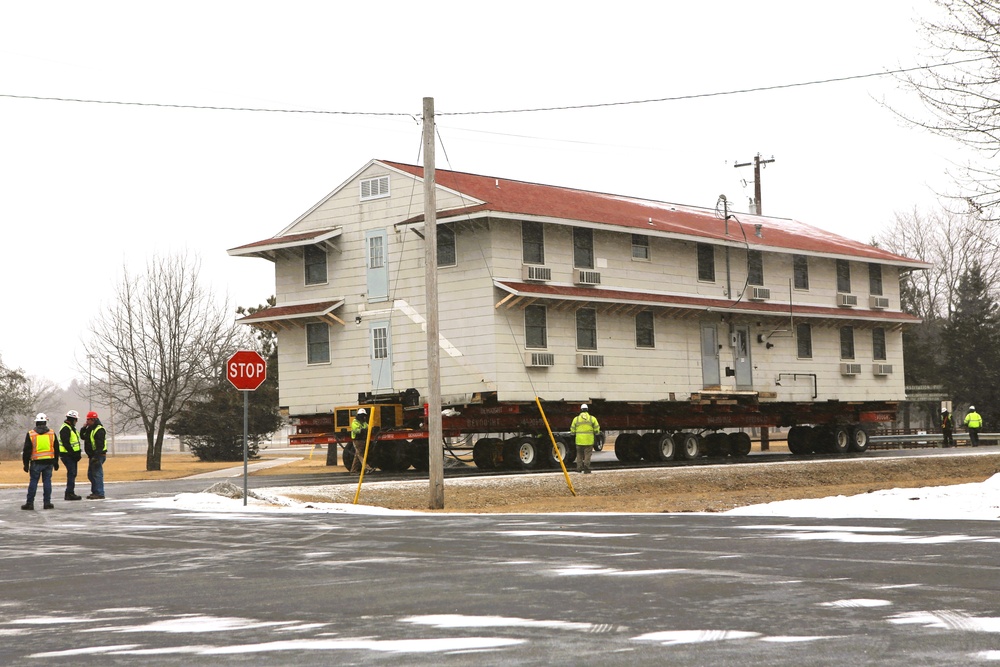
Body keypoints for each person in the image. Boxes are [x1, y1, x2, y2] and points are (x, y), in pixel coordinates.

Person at [22, 413, 59, 510]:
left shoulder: (31, 434)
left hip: (36, 462)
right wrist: (56, 462)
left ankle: (29, 503)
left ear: (36, 422)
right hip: (49, 462)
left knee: (33, 482)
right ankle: (47, 503)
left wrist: (25, 464)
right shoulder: (51, 433)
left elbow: (26, 451)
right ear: (45, 422)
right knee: (47, 482)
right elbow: (56, 448)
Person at [80, 410, 107, 499]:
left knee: (97, 474)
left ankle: (99, 493)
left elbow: (100, 445)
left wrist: (95, 456)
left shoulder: (99, 430)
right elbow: (83, 437)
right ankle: (95, 491)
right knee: (91, 474)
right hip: (93, 456)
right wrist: (83, 428)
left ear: (93, 420)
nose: (87, 421)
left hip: (98, 455)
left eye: (88, 420)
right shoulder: (90, 429)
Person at [59, 410, 83, 500]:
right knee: (72, 473)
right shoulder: (66, 428)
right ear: (73, 419)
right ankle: (69, 493)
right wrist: (73, 454)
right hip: (67, 455)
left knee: (73, 473)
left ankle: (70, 492)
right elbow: (66, 443)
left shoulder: (71, 428)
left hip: (71, 455)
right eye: (76, 419)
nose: (76, 421)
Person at [570, 403, 601, 474]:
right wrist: (597, 434)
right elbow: (597, 429)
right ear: (587, 410)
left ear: (580, 410)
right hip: (589, 440)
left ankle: (579, 468)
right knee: (587, 454)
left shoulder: (576, 419)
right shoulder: (592, 418)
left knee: (579, 454)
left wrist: (573, 435)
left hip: (579, 440)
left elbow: (572, 430)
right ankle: (586, 468)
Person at [349, 408, 373, 474]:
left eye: (364, 415)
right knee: (360, 455)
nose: (364, 417)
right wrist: (364, 430)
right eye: (362, 415)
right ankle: (367, 468)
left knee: (358, 455)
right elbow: (357, 430)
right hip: (357, 440)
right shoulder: (355, 422)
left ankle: (353, 470)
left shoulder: (363, 422)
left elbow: (368, 427)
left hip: (362, 440)